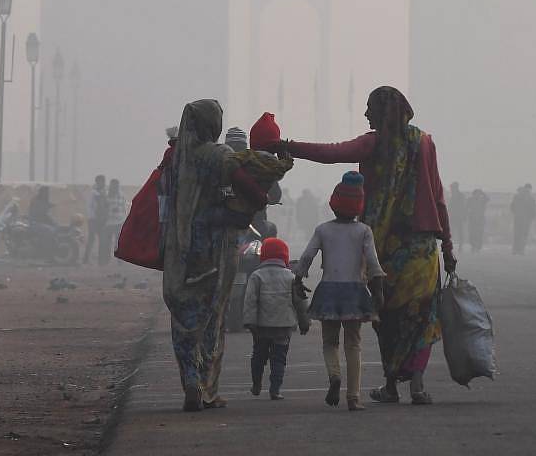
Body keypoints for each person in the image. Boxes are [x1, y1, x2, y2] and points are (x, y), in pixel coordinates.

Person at [271, 86, 455, 405]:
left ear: (383, 111)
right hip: (422, 250)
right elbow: (438, 197)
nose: (366, 114)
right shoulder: (424, 142)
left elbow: (331, 153)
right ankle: (417, 387)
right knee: (421, 317)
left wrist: (284, 146)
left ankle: (392, 387)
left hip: (383, 249)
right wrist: (448, 246)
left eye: (370, 108)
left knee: (388, 319)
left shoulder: (373, 143)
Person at [162, 99, 269, 412]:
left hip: (180, 251)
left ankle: (191, 382)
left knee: (184, 319)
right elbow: (253, 192)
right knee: (213, 318)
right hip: (216, 249)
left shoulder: (176, 159)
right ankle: (208, 389)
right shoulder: (219, 155)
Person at [296, 172, 384, 411]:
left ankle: (334, 375)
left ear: (334, 204)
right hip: (355, 292)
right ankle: (353, 397)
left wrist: (297, 278)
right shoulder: (364, 231)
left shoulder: (323, 230)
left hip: (329, 292)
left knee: (329, 342)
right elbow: (374, 264)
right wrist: (378, 292)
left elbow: (306, 257)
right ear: (359, 206)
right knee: (353, 345)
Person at [242, 235, 310, 400]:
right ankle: (275, 389)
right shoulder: (291, 277)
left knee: (258, 356)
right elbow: (300, 302)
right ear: (285, 255)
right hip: (283, 326)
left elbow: (250, 301)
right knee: (279, 359)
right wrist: (304, 322)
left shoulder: (256, 276)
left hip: (261, 327)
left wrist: (250, 322)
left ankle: (256, 383)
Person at [84, 175, 110, 265]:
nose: (102, 183)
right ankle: (85, 259)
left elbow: (107, 206)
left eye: (103, 181)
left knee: (102, 240)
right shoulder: (92, 193)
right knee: (91, 239)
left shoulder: (105, 192)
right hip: (93, 220)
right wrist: (92, 218)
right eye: (100, 181)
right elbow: (89, 207)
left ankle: (101, 260)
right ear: (97, 182)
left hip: (102, 220)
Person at [511, 184, 536, 255]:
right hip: (526, 220)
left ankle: (515, 250)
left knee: (517, 234)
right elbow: (533, 209)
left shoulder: (517, 196)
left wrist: (516, 213)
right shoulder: (531, 198)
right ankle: (521, 250)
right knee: (524, 235)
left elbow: (512, 207)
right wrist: (532, 217)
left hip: (518, 218)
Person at [106, 178, 127, 258]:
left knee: (118, 242)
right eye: (113, 185)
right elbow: (104, 207)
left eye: (116, 185)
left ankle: (119, 258)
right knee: (107, 241)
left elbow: (124, 207)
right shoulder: (107, 195)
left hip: (119, 221)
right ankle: (107, 257)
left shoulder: (121, 195)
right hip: (109, 222)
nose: (114, 187)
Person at [467, 188, 489, 253]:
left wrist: (483, 193)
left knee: (479, 233)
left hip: (480, 219)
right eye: (476, 193)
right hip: (472, 218)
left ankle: (478, 246)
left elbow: (487, 199)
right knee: (472, 233)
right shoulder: (470, 200)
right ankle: (473, 245)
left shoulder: (482, 200)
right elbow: (466, 207)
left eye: (478, 194)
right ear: (473, 194)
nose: (477, 195)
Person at [449, 181, 466, 253]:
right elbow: (450, 207)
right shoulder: (453, 196)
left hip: (458, 217)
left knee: (459, 232)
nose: (451, 189)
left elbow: (463, 207)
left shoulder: (460, 196)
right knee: (452, 232)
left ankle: (460, 246)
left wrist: (464, 215)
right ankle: (451, 246)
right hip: (454, 216)